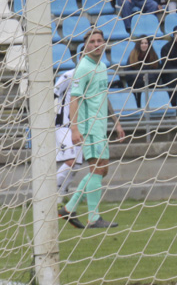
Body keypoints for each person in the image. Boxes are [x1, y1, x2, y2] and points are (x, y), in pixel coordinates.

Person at [59, 30, 127, 230]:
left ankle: (69, 208)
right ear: (86, 46)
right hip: (89, 126)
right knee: (97, 169)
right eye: (92, 41)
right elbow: (74, 99)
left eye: (99, 40)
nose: (97, 44)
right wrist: (74, 129)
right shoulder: (83, 68)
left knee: (102, 170)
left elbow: (102, 95)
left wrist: (116, 122)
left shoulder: (103, 66)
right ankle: (93, 217)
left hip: (101, 126)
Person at [52, 68, 84, 210]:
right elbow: (53, 93)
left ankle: (61, 193)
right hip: (63, 124)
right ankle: (49, 191)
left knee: (77, 163)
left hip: (79, 125)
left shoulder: (92, 76)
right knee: (71, 161)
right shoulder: (69, 75)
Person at [123, 36, 161, 108]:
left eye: (146, 43)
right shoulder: (132, 55)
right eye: (142, 43)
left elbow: (157, 71)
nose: (144, 45)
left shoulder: (154, 56)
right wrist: (142, 77)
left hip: (150, 81)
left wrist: (147, 77)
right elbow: (128, 71)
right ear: (138, 45)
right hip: (136, 81)